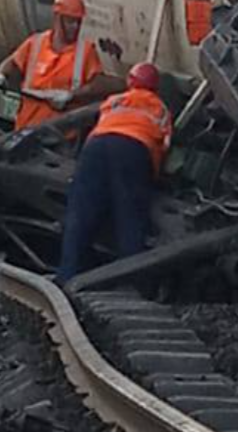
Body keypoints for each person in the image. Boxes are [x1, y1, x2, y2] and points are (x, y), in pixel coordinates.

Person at [56, 62, 172, 283]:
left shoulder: (113, 101)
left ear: (130, 82)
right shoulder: (160, 108)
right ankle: (131, 283)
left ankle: (67, 275)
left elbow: (98, 124)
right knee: (131, 217)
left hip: (96, 147)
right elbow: (164, 145)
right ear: (156, 87)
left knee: (80, 213)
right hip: (134, 150)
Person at [0, 0, 121, 131]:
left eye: (78, 22)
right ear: (58, 18)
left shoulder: (85, 51)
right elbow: (11, 63)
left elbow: (98, 83)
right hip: (27, 127)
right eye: (71, 21)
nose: (75, 27)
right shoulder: (36, 43)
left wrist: (72, 95)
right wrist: (1, 74)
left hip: (61, 134)